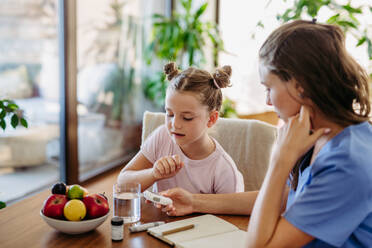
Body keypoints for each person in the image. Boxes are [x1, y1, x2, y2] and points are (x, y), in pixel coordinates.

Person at [159, 20, 372, 247]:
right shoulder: (321, 135)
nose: (268, 101)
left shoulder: (346, 163)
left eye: (269, 88)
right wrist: (194, 202)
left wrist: (280, 161)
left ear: (300, 86)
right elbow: (286, 199)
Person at [117, 62, 244, 194]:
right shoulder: (163, 136)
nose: (175, 124)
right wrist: (154, 174)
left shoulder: (223, 169)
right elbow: (122, 184)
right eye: (170, 114)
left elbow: (230, 212)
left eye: (187, 118)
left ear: (211, 119)